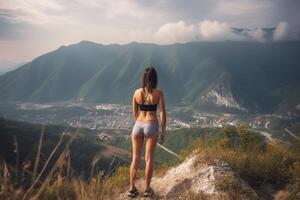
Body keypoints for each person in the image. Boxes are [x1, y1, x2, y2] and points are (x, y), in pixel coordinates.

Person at [128, 66, 167, 198]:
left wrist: (140, 123)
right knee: (149, 159)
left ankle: (132, 188)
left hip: (138, 125)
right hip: (151, 124)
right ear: (155, 78)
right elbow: (162, 112)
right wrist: (163, 131)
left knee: (135, 158)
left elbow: (134, 113)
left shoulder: (136, 93)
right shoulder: (158, 93)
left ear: (143, 78)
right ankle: (147, 188)